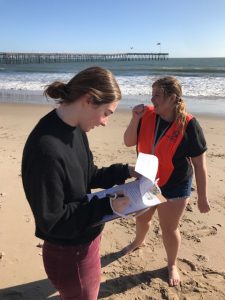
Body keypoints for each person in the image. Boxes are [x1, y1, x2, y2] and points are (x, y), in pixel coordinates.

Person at [21, 66, 137, 300]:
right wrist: (109, 207)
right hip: (69, 253)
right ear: (89, 99)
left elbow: (87, 174)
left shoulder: (75, 128)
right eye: (107, 113)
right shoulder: (45, 150)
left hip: (86, 237)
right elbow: (52, 220)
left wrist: (125, 171)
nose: (105, 122)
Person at [123, 76, 210, 286]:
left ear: (172, 98)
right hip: (148, 181)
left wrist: (202, 198)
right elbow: (128, 142)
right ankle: (139, 240)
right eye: (152, 94)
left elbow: (200, 165)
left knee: (169, 228)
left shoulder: (189, 125)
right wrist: (135, 117)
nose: (152, 99)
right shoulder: (146, 116)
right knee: (142, 218)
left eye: (157, 95)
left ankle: (171, 264)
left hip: (175, 184)